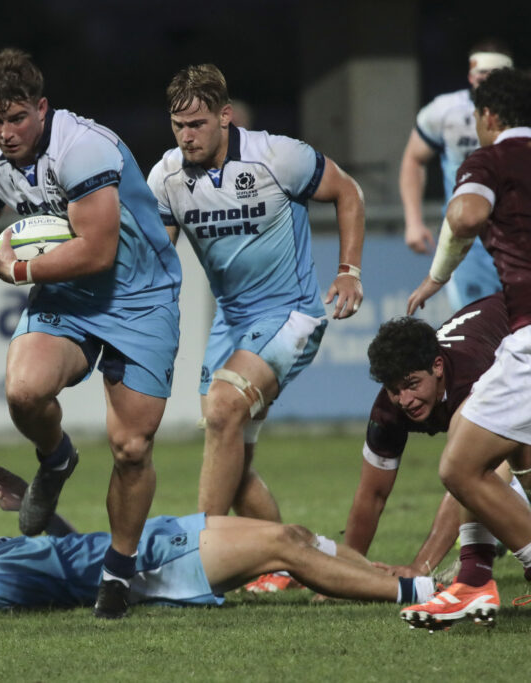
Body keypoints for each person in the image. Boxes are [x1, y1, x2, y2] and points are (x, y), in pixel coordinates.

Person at [0, 48, 182, 618]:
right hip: (69, 297)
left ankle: (117, 572)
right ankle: (56, 459)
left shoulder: (83, 149)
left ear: (42, 108)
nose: (5, 133)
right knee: (24, 391)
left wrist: (19, 271)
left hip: (140, 297)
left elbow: (98, 250)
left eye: (16, 119)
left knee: (131, 448)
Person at [146, 64, 364, 591]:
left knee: (224, 408)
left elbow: (348, 191)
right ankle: (298, 564)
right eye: (178, 126)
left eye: (197, 124)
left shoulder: (276, 156)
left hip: (291, 312)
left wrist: (349, 271)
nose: (186, 136)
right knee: (234, 463)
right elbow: (157, 258)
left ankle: (197, 564)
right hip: (231, 322)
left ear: (225, 116)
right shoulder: (167, 178)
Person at [404, 67, 531, 634]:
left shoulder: (489, 160)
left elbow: (467, 215)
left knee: (460, 465)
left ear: (488, 116)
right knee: (474, 431)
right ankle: (474, 580)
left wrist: (440, 262)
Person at [0, 463, 437, 611]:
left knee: (294, 534)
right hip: (150, 569)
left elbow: (69, 552)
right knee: (284, 549)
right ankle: (420, 595)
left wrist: (37, 510)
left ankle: (394, 576)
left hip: (141, 541)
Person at [346, 298, 531, 584]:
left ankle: (512, 573)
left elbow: (468, 474)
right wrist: (345, 573)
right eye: (394, 390)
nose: (405, 400)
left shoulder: (471, 377)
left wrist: (420, 567)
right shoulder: (388, 411)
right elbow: (372, 495)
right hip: (522, 365)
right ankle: (485, 571)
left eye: (412, 384)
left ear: (437, 367)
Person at [398, 39, 531, 310]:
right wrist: (413, 221)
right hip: (471, 245)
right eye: (481, 74)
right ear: (470, 75)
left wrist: (435, 278)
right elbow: (414, 160)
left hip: (522, 235)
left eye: (493, 74)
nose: (485, 81)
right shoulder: (444, 111)